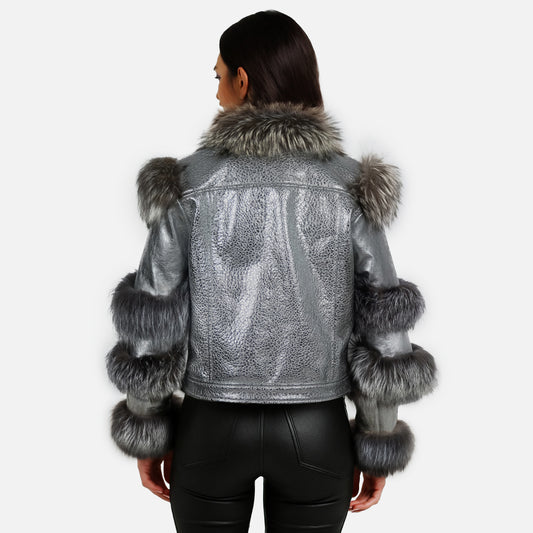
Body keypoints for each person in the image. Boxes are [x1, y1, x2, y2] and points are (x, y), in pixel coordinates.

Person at [105, 9, 437, 533]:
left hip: (210, 428)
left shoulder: (185, 184)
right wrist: (378, 437)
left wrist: (147, 428)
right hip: (316, 430)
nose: (217, 93)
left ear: (243, 80)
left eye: (219, 76)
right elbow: (384, 326)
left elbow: (153, 322)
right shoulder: (352, 187)